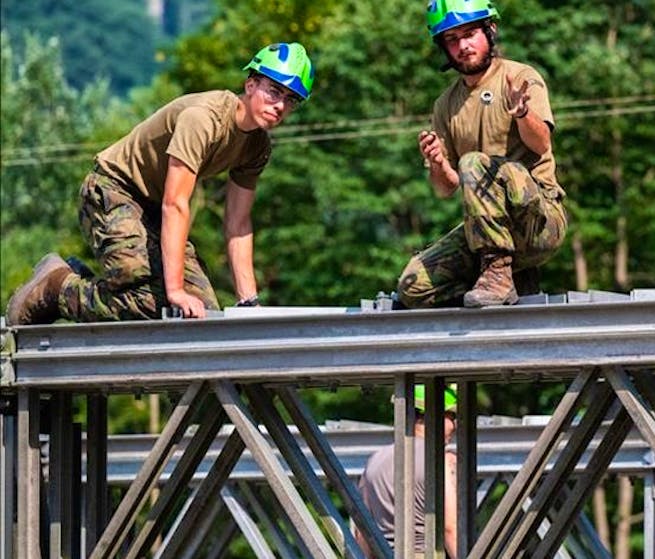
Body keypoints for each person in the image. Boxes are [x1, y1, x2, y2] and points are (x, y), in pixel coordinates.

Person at [4, 42, 315, 324]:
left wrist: (249, 302)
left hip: (151, 209)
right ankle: (57, 287)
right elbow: (176, 203)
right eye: (274, 92)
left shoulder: (257, 147)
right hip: (112, 190)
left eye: (290, 100)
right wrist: (176, 288)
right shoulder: (204, 119)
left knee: (201, 313)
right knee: (158, 301)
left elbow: (238, 223)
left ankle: (83, 285)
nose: (280, 106)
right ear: (251, 84)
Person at [396, 0, 567, 308]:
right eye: (452, 39)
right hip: (486, 229)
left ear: (491, 31)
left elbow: (541, 144)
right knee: (412, 287)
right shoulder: (445, 104)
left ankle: (500, 274)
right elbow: (445, 188)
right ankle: (501, 279)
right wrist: (437, 164)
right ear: (444, 48)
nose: (463, 46)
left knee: (473, 162)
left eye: (470, 33)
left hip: (539, 221)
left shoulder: (519, 77)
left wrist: (523, 113)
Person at [356, 385, 459, 558]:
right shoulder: (438, 459)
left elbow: (363, 532)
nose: (455, 425)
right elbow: (451, 529)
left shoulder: (375, 460)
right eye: (452, 416)